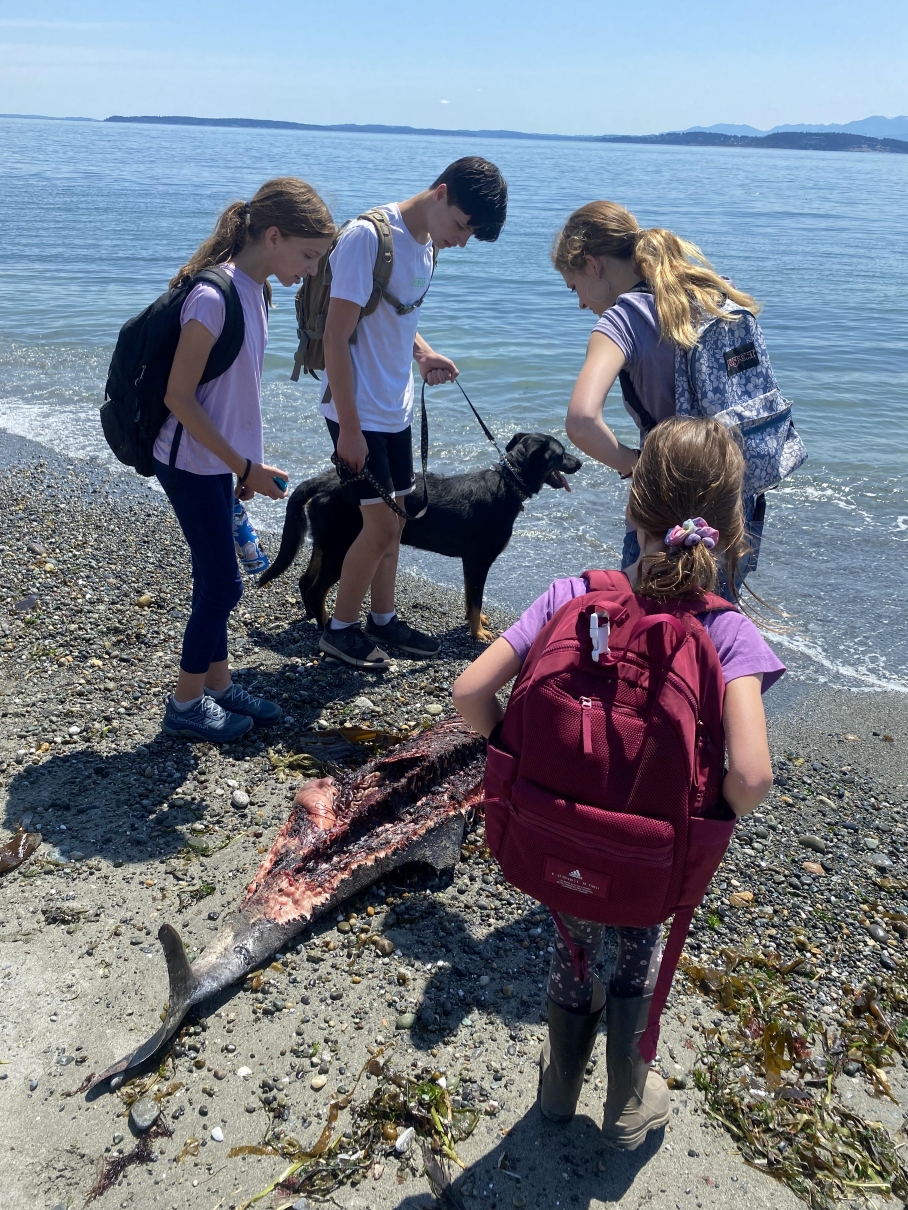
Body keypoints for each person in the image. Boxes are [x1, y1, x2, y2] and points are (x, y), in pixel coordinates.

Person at [453, 417, 784, 1150]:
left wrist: (516, 746)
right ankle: (628, 1101)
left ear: (632, 507)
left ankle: (558, 1092)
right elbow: (753, 777)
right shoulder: (727, 632)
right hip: (651, 850)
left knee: (571, 943)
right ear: (729, 529)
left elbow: (469, 693)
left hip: (557, 829)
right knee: (639, 943)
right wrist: (708, 811)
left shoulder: (574, 592)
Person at [155, 178, 335, 742]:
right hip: (189, 462)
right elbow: (178, 397)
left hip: (220, 463)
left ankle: (218, 683)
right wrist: (242, 466)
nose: (309, 270)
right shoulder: (213, 297)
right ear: (273, 235)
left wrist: (247, 465)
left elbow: (235, 393)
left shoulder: (258, 292)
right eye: (307, 256)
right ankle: (185, 704)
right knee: (224, 585)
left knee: (212, 577)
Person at [319, 157, 508, 670]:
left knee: (397, 523)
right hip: (357, 411)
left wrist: (422, 354)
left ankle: (383, 619)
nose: (462, 241)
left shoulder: (426, 245)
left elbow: (394, 315)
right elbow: (335, 336)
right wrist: (350, 429)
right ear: (441, 192)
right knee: (379, 529)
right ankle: (340, 630)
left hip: (395, 408)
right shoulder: (366, 238)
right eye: (463, 226)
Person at [553, 200, 772, 576]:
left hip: (665, 513)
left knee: (648, 626)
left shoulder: (623, 319)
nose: (580, 303)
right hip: (733, 495)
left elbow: (582, 421)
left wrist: (633, 465)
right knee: (718, 625)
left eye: (575, 288)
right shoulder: (710, 293)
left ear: (593, 265)